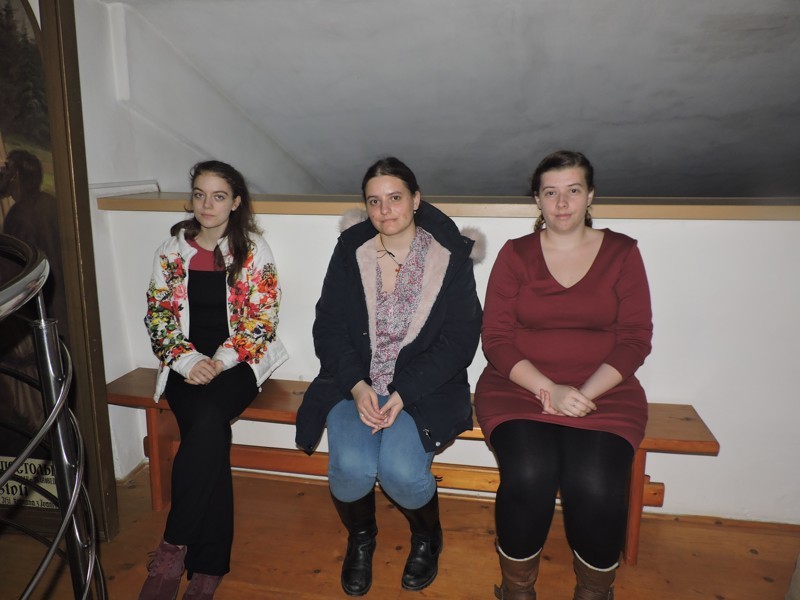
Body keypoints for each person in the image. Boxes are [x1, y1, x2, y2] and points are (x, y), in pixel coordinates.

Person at [296, 157, 483, 596]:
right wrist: (357, 385)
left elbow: (459, 341)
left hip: (425, 388)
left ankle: (427, 537)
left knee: (401, 472)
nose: (385, 210)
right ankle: (361, 539)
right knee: (351, 469)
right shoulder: (351, 250)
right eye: (374, 201)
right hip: (353, 382)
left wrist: (402, 393)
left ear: (416, 200)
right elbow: (329, 327)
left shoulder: (450, 257)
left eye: (395, 198)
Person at [475, 150, 653, 600]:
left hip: (605, 392)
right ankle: (517, 590)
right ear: (537, 199)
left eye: (573, 190)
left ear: (590, 195)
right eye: (550, 192)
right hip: (518, 387)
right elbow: (496, 338)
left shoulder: (622, 253)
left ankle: (594, 592)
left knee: (594, 484)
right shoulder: (515, 255)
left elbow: (635, 338)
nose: (561, 203)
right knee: (529, 474)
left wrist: (583, 393)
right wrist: (549, 389)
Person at [139, 160, 288, 600]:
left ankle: (172, 548)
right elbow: (158, 316)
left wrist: (219, 362)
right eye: (200, 194)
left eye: (219, 196)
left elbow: (262, 319)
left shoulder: (253, 251)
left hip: (239, 363)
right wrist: (187, 361)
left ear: (235, 202)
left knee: (205, 424)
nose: (207, 204)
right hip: (184, 365)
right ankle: (208, 568)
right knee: (210, 432)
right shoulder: (171, 251)